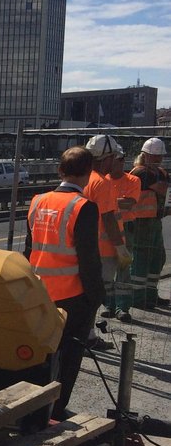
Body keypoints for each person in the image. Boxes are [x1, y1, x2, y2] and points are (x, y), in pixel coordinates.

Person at [25, 146, 104, 420]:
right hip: (72, 297)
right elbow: (89, 259)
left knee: (41, 354)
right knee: (68, 358)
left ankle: (32, 406)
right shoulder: (84, 207)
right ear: (89, 173)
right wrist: (96, 297)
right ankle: (55, 410)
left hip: (38, 293)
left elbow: (29, 249)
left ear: (60, 171)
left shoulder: (37, 201)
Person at [82, 135, 130, 350]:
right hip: (102, 251)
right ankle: (88, 335)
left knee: (84, 293)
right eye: (113, 157)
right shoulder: (102, 183)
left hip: (89, 248)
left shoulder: (86, 178)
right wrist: (120, 248)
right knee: (94, 295)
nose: (115, 162)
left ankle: (84, 333)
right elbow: (109, 219)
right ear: (105, 158)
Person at [129, 137, 169, 309]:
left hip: (155, 220)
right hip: (140, 222)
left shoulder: (160, 172)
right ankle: (138, 298)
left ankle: (151, 295)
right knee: (141, 260)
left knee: (157, 258)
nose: (158, 159)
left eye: (159, 156)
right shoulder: (139, 173)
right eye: (154, 156)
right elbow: (162, 188)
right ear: (145, 155)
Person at [102, 149, 141, 321]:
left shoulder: (133, 180)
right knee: (107, 267)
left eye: (113, 160)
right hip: (106, 227)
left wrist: (108, 201)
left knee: (123, 266)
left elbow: (129, 203)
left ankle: (122, 307)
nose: (109, 164)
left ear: (121, 161)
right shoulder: (103, 181)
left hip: (126, 227)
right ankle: (108, 305)